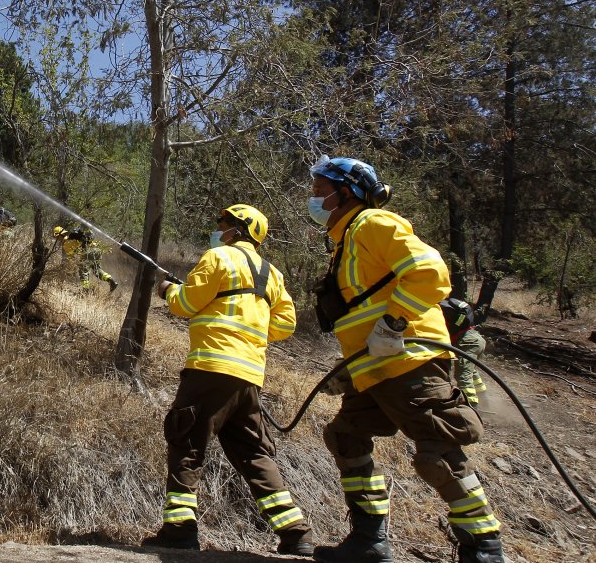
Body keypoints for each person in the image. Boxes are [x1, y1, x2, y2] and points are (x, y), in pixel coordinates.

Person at [308, 156, 503, 563]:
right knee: (345, 436)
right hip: (373, 367)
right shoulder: (346, 241)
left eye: (320, 188)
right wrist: (348, 372)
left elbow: (430, 272)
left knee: (438, 452)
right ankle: (369, 541)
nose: (314, 197)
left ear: (347, 192)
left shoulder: (375, 224)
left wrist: (394, 323)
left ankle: (484, 546)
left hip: (408, 358)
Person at [143, 204, 313, 555]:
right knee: (253, 453)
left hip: (209, 370)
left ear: (239, 229)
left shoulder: (218, 256)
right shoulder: (273, 274)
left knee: (186, 443)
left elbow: (187, 303)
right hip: (249, 378)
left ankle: (179, 529)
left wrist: (168, 291)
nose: (218, 228)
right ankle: (296, 534)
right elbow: (284, 326)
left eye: (223, 223)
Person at [440, 297, 489, 409]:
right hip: (476, 338)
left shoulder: (438, 310)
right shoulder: (448, 306)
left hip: (467, 342)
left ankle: (471, 408)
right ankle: (484, 401)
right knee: (472, 372)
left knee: (463, 376)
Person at [53, 226, 117, 292]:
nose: (57, 239)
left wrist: (69, 270)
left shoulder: (67, 243)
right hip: (97, 250)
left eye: (56, 237)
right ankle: (111, 281)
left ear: (59, 235)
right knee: (97, 270)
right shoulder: (75, 237)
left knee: (83, 272)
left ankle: (86, 290)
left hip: (87, 252)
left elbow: (71, 259)